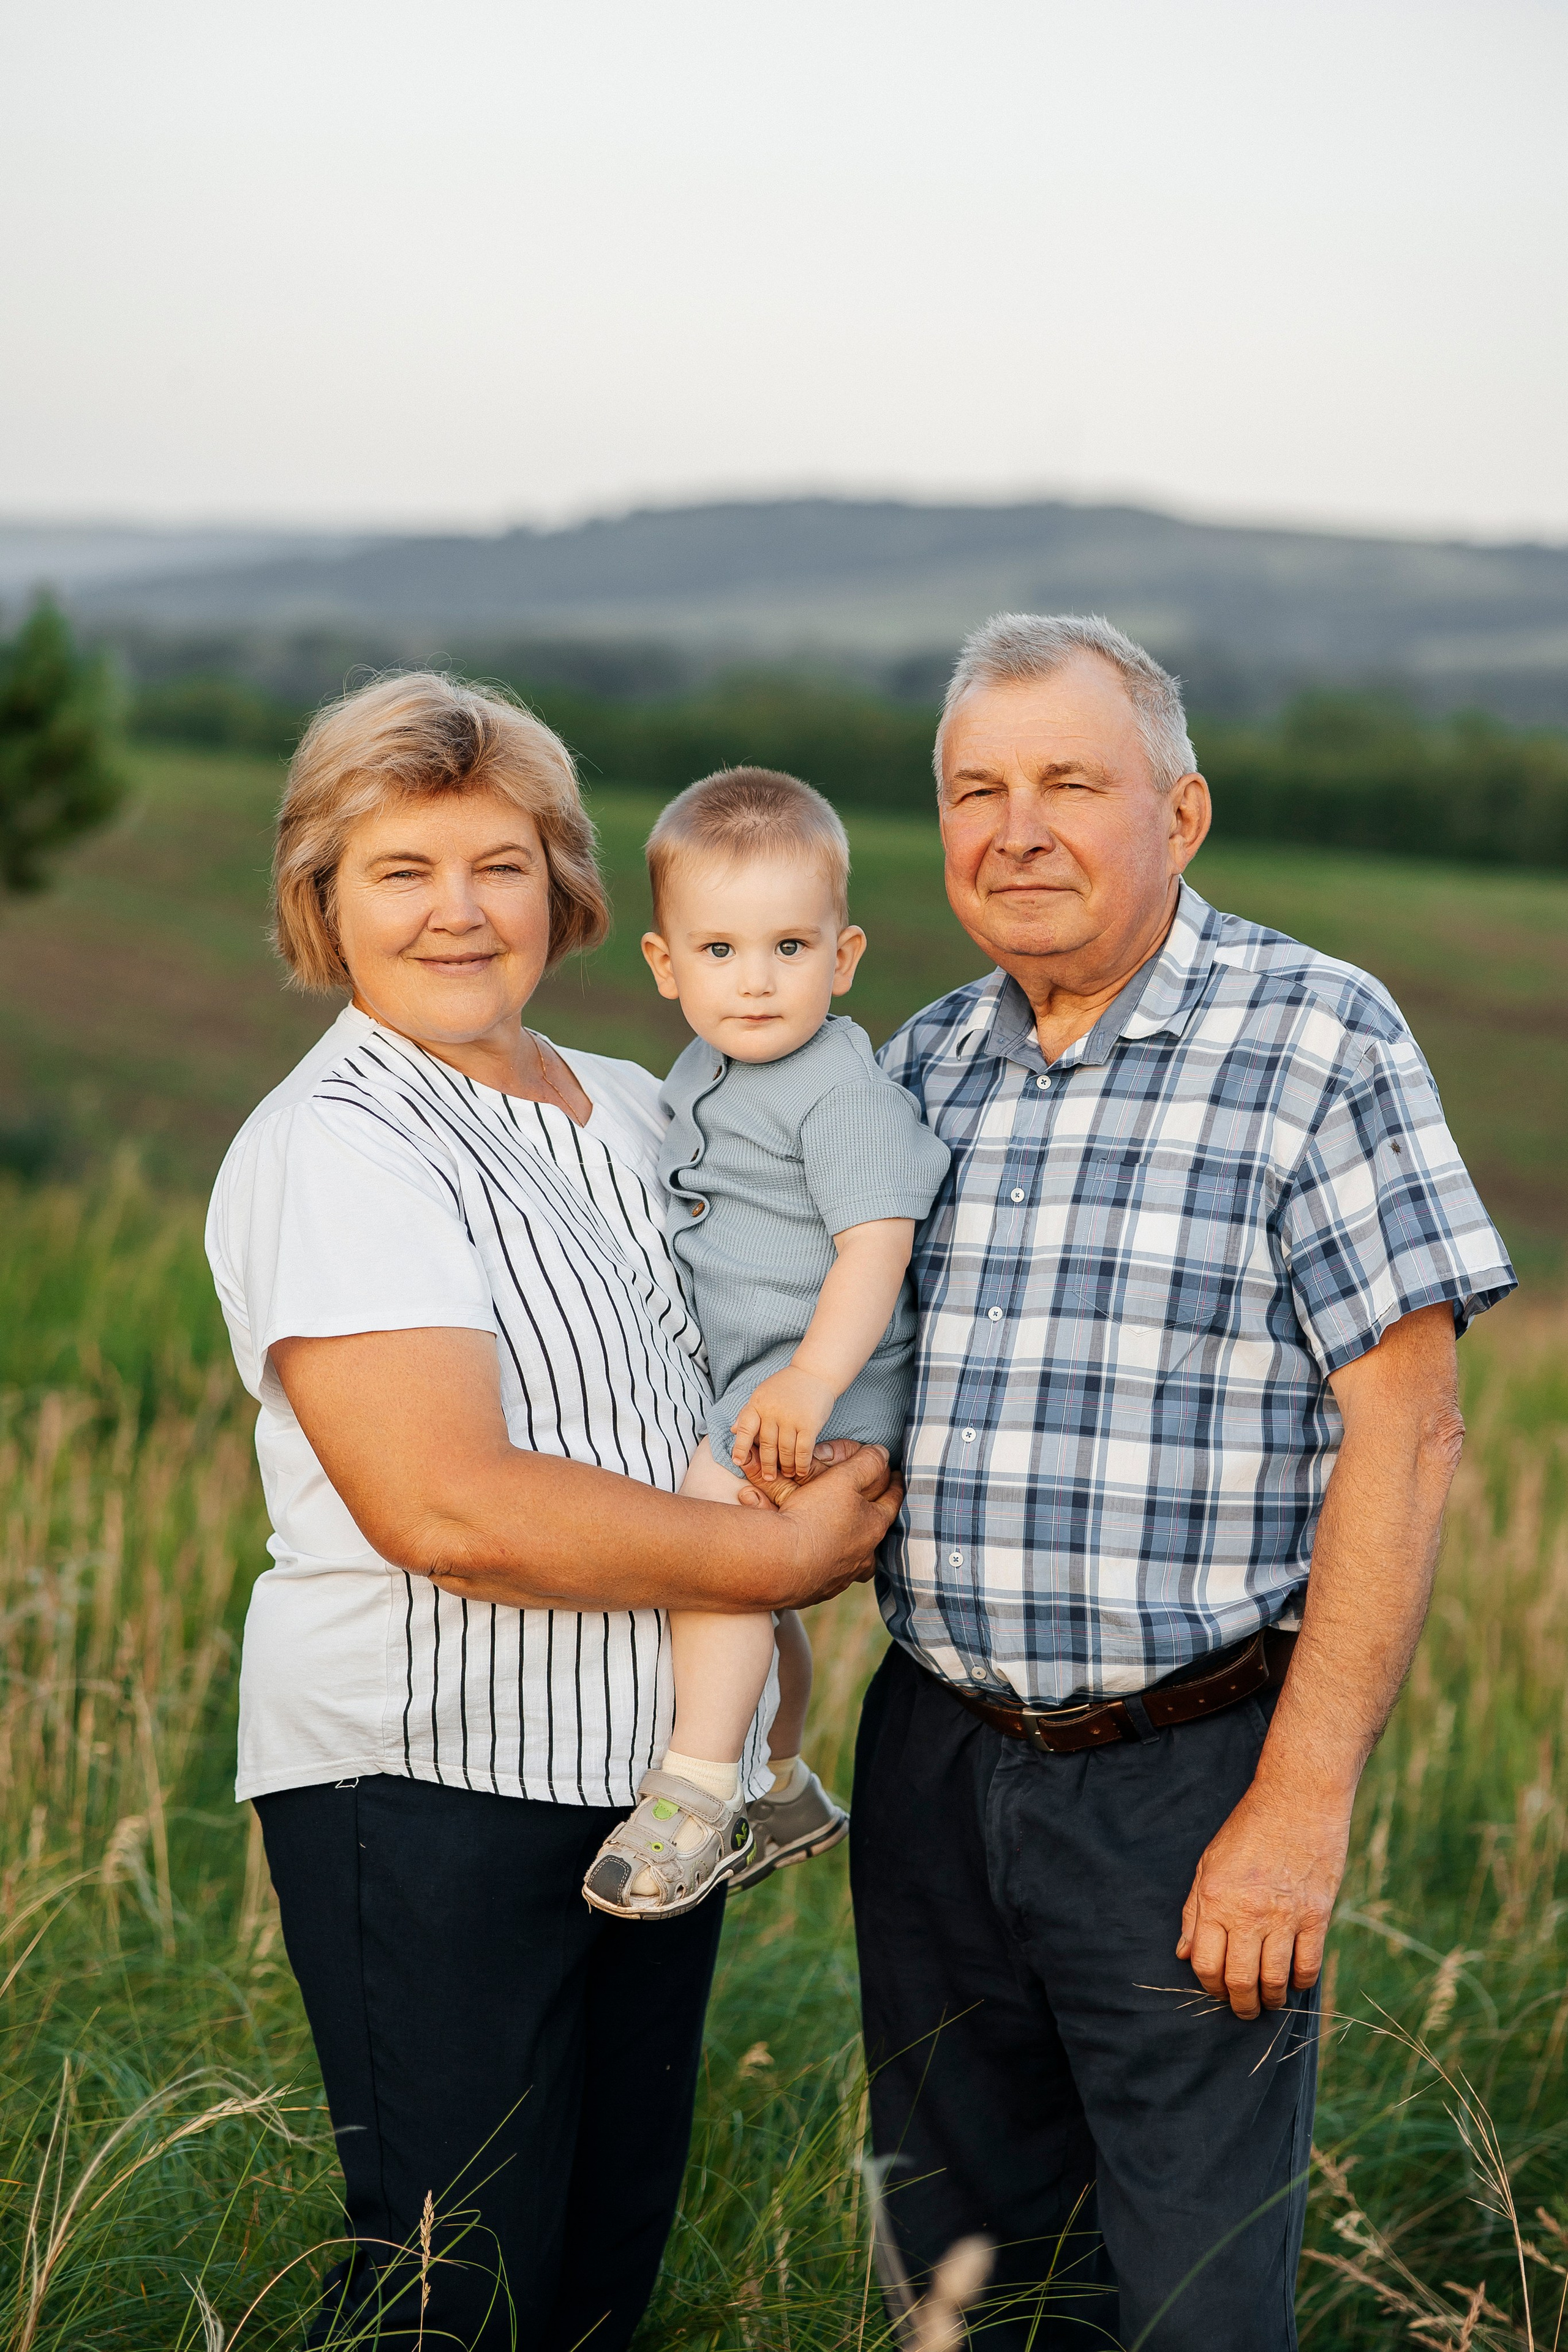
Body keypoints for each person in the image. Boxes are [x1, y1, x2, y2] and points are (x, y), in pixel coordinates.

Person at [205, 673, 900, 2352]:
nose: (457, 911)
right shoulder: (339, 1145)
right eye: (401, 870)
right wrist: (782, 1558)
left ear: (565, 888)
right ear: (323, 899)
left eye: (499, 866)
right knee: (453, 2285)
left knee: (599, 2272)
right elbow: (447, 1507)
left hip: (653, 1790)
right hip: (428, 1777)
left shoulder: (644, 1104)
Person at [853, 613, 1517, 2350]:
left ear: (1182, 813)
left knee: (1191, 2304)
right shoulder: (920, 1067)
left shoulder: (1318, 1039)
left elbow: (1409, 1435)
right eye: (974, 791)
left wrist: (1297, 1811)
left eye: (1069, 784)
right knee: (962, 2281)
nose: (1015, 832)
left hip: (1188, 1775)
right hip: (932, 1757)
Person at [581, 769, 949, 1918]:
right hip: (769, 1378)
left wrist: (811, 1380)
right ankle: (781, 1783)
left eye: (791, 948)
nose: (755, 980)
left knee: (713, 1550)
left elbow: (875, 1249)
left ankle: (695, 1793)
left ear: (844, 958)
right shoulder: (708, 1068)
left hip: (826, 1387)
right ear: (665, 965)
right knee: (761, 1598)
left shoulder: (836, 1089)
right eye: (721, 950)